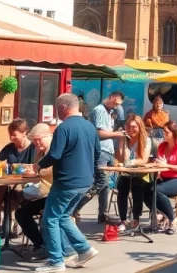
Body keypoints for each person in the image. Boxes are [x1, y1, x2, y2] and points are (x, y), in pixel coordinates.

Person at [36, 93, 100, 272]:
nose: (57, 112)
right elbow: (97, 153)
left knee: (50, 219)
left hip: (66, 181)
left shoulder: (63, 128)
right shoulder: (89, 126)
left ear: (63, 107)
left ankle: (56, 261)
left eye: (58, 109)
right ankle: (84, 249)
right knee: (63, 216)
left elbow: (55, 155)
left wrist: (38, 165)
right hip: (85, 181)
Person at [81, 91, 126, 223]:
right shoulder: (99, 110)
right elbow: (100, 134)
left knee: (105, 185)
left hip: (108, 151)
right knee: (100, 182)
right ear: (111, 97)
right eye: (116, 103)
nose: (116, 106)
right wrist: (117, 134)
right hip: (101, 151)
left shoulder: (108, 112)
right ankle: (76, 207)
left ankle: (103, 213)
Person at [0, 118, 37, 234]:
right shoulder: (9, 148)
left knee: (16, 191)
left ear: (24, 132)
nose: (11, 138)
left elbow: (33, 168)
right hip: (9, 183)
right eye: (10, 135)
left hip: (29, 184)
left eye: (14, 135)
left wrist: (12, 168)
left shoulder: (33, 148)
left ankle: (13, 221)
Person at [146, 121, 177, 235]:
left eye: (166, 132)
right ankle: (161, 215)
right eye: (163, 132)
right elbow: (160, 162)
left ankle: (172, 220)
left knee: (157, 190)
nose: (164, 135)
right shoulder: (162, 145)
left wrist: (166, 165)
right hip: (165, 178)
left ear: (173, 132)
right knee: (144, 189)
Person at [16, 123, 54, 261]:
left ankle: (44, 247)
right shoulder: (40, 152)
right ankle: (40, 245)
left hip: (53, 193)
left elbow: (48, 171)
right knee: (21, 210)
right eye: (34, 140)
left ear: (49, 136)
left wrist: (36, 171)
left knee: (23, 205)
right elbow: (35, 169)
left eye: (39, 139)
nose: (36, 143)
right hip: (43, 191)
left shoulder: (54, 151)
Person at [115, 116, 151, 231]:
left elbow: (143, 159)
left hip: (140, 172)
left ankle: (136, 219)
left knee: (137, 188)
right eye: (128, 126)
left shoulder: (146, 140)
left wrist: (130, 162)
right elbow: (120, 158)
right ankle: (123, 220)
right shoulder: (125, 139)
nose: (131, 129)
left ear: (140, 127)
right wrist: (123, 143)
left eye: (134, 127)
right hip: (126, 172)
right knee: (122, 187)